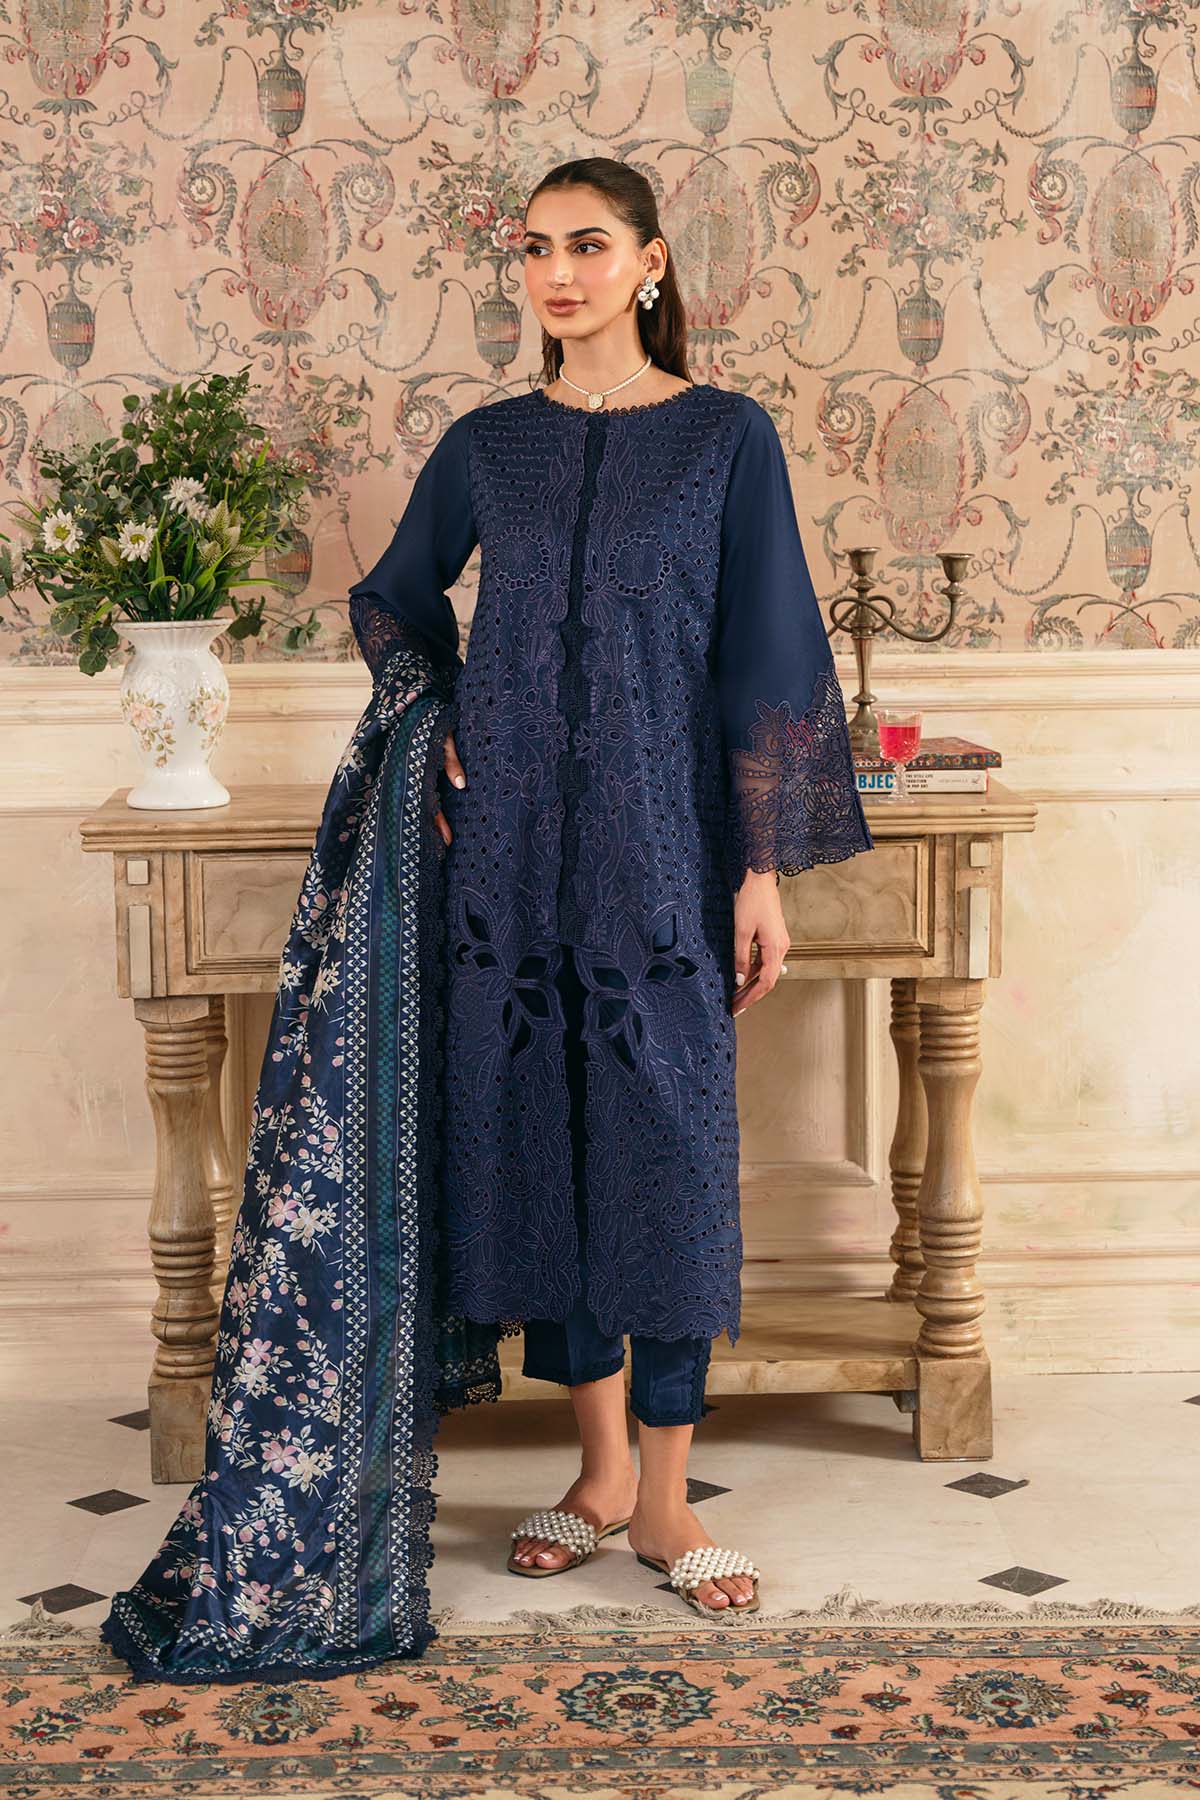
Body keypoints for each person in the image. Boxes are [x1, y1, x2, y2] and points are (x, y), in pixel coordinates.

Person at [347, 156, 874, 1619]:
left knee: (668, 1148)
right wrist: (432, 715)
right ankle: (593, 1478)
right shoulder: (489, 445)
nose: (558, 273)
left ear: (651, 264)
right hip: (509, 854)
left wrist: (761, 871)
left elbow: (770, 650)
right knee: (539, 1136)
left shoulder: (723, 437)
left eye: (588, 245)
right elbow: (395, 597)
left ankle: (666, 1499)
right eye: (535, 249)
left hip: (665, 847)